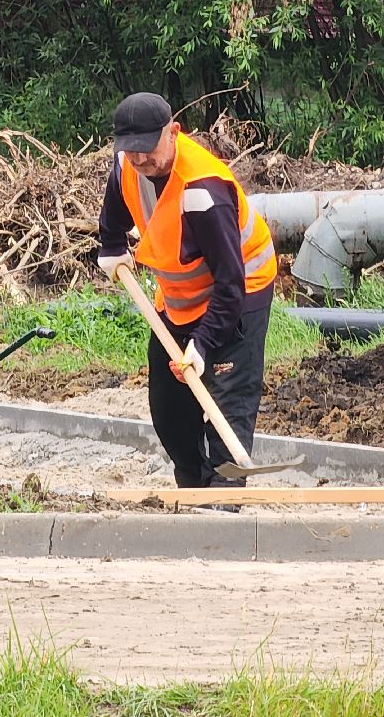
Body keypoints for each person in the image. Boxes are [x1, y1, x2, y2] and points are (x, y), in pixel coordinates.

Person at [96, 92, 276, 494]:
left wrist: (204, 343)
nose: (140, 158)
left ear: (173, 132)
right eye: (131, 149)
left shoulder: (203, 191)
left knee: (228, 399)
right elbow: (116, 208)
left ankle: (223, 499)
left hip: (240, 292)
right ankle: (194, 489)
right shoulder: (128, 165)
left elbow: (230, 282)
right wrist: (111, 245)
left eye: (147, 147)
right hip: (179, 298)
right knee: (169, 407)